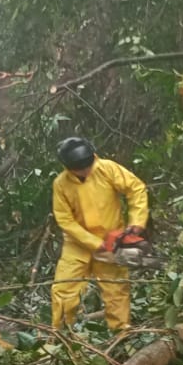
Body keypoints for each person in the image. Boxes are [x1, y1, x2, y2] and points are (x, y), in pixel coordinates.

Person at [50, 136, 148, 333]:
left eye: (86, 165)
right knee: (64, 290)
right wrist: (94, 243)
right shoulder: (61, 184)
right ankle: (62, 336)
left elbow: (136, 189)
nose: (85, 170)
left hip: (112, 238)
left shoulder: (107, 168)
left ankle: (121, 333)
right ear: (68, 166)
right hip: (77, 245)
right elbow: (64, 219)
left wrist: (137, 222)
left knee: (116, 289)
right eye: (79, 167)